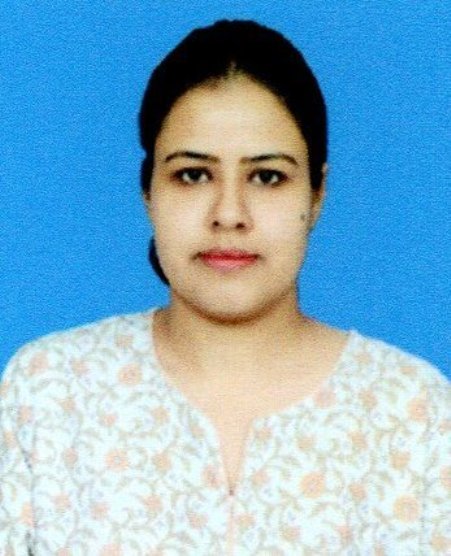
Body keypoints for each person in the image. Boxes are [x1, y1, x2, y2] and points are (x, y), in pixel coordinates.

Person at [1, 19, 449, 555]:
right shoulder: (48, 393)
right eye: (193, 175)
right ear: (148, 193)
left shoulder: (413, 412)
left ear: (317, 194)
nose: (229, 214)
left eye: (267, 177)